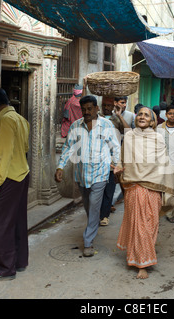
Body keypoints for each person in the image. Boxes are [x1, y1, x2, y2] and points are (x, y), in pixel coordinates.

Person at [55, 95, 120, 257]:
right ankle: (93, 223)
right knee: (89, 207)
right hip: (81, 175)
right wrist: (60, 166)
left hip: (100, 174)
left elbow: (115, 148)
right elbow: (68, 147)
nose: (86, 112)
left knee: (93, 205)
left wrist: (118, 165)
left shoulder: (107, 125)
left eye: (90, 109)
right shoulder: (76, 126)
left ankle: (88, 242)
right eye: (83, 109)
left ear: (97, 108)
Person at [114, 107, 174, 279]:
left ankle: (143, 253)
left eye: (146, 115)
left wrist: (165, 186)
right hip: (135, 186)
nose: (142, 116)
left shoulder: (157, 138)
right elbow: (122, 158)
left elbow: (164, 164)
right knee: (139, 225)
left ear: (152, 121)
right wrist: (118, 168)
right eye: (139, 114)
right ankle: (142, 263)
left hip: (153, 187)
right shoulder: (130, 137)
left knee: (150, 224)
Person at [0, 87, 30, 282]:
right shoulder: (19, 119)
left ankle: (4, 269)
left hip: (9, 178)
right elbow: (24, 148)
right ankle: (18, 261)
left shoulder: (7, 121)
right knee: (16, 220)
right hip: (20, 175)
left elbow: (5, 154)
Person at [98, 96, 129, 226]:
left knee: (109, 189)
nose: (106, 107)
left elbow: (128, 132)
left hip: (112, 160)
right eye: (104, 105)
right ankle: (97, 213)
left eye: (109, 105)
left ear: (113, 107)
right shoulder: (96, 118)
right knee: (97, 189)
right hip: (98, 160)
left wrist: (119, 115)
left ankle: (104, 216)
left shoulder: (116, 119)